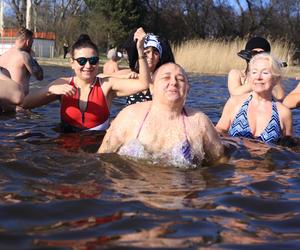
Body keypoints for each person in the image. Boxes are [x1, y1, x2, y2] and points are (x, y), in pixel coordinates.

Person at [22, 28, 151, 133]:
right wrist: (49, 91)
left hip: (96, 151)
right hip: (66, 152)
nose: (88, 66)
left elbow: (143, 84)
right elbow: (26, 103)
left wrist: (140, 51)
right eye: (82, 61)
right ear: (72, 63)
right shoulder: (63, 83)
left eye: (93, 61)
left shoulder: (107, 85)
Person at [98, 63, 224, 166]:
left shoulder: (200, 122)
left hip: (183, 192)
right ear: (151, 87)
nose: (173, 82)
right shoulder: (130, 116)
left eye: (180, 79)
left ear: (187, 89)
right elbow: (102, 157)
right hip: (134, 193)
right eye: (166, 78)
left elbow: (220, 162)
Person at [216, 53, 293, 143]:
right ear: (249, 77)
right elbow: (219, 131)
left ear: (276, 79)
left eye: (265, 73)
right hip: (236, 156)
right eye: (254, 72)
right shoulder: (234, 103)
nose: (258, 77)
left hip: (268, 157)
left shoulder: (283, 112)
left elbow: (289, 148)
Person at [101, 31, 175, 105]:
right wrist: (124, 77)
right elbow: (100, 77)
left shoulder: (163, 77)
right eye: (147, 52)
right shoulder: (131, 73)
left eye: (155, 53)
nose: (151, 56)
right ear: (140, 55)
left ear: (159, 58)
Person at [228, 36, 285, 101]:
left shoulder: (271, 76)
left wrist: (273, 74)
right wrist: (259, 82)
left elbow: (280, 98)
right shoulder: (236, 73)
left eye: (261, 53)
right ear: (248, 54)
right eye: (254, 53)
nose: (258, 56)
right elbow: (235, 94)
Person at [0, 27, 43, 96]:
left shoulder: (2, 56)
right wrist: (33, 58)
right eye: (32, 42)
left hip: (5, 102)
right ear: (28, 41)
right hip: (19, 103)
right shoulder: (24, 56)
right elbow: (40, 76)